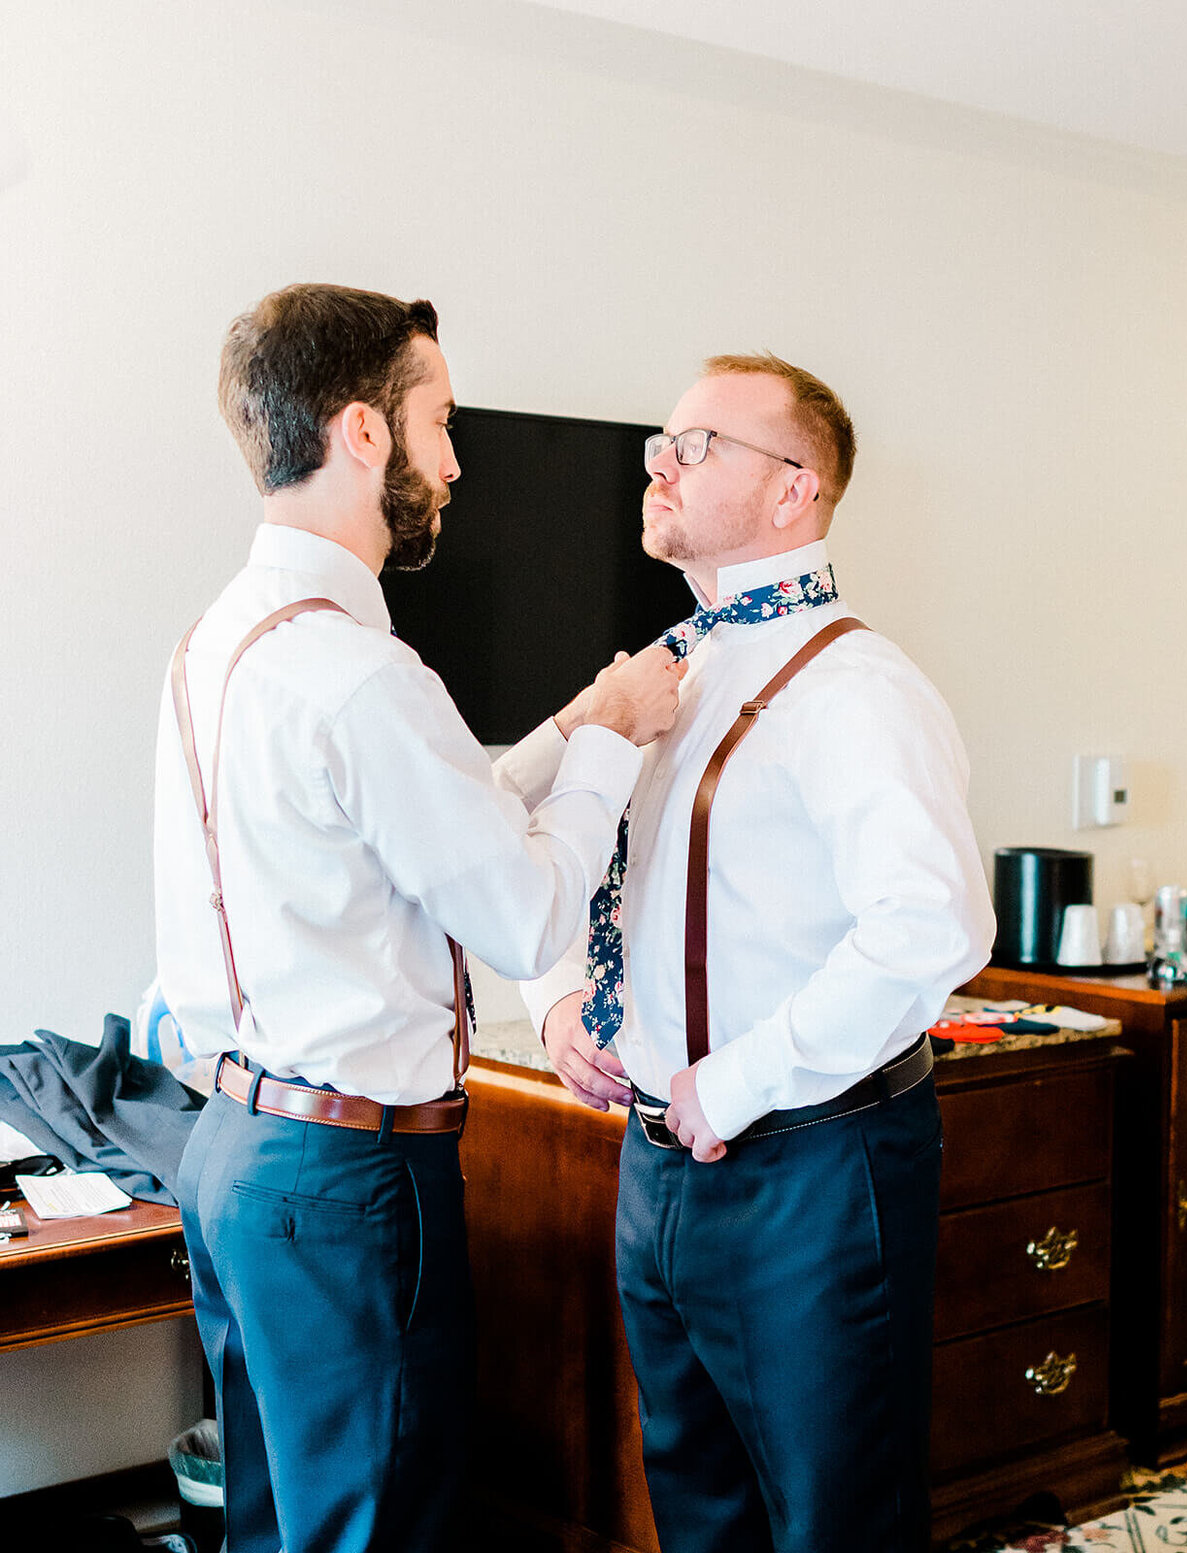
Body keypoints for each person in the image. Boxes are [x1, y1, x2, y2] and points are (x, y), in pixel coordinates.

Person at [153, 282, 685, 1553]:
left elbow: (404, 841)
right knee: (381, 1532)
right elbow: (517, 910)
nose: (455, 462)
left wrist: (565, 728)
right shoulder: (363, 674)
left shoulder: (223, 641)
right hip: (348, 1180)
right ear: (362, 434)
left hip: (235, 1148)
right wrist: (613, 747)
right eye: (440, 421)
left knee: (282, 1528)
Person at [500, 352, 995, 1552]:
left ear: (796, 490)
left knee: (836, 1518)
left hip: (811, 1167)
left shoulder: (859, 686)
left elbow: (933, 923)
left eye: (698, 443)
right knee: (696, 1504)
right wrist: (560, 999)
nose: (658, 462)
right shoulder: (667, 668)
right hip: (657, 1168)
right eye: (661, 441)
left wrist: (736, 1080)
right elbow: (543, 841)